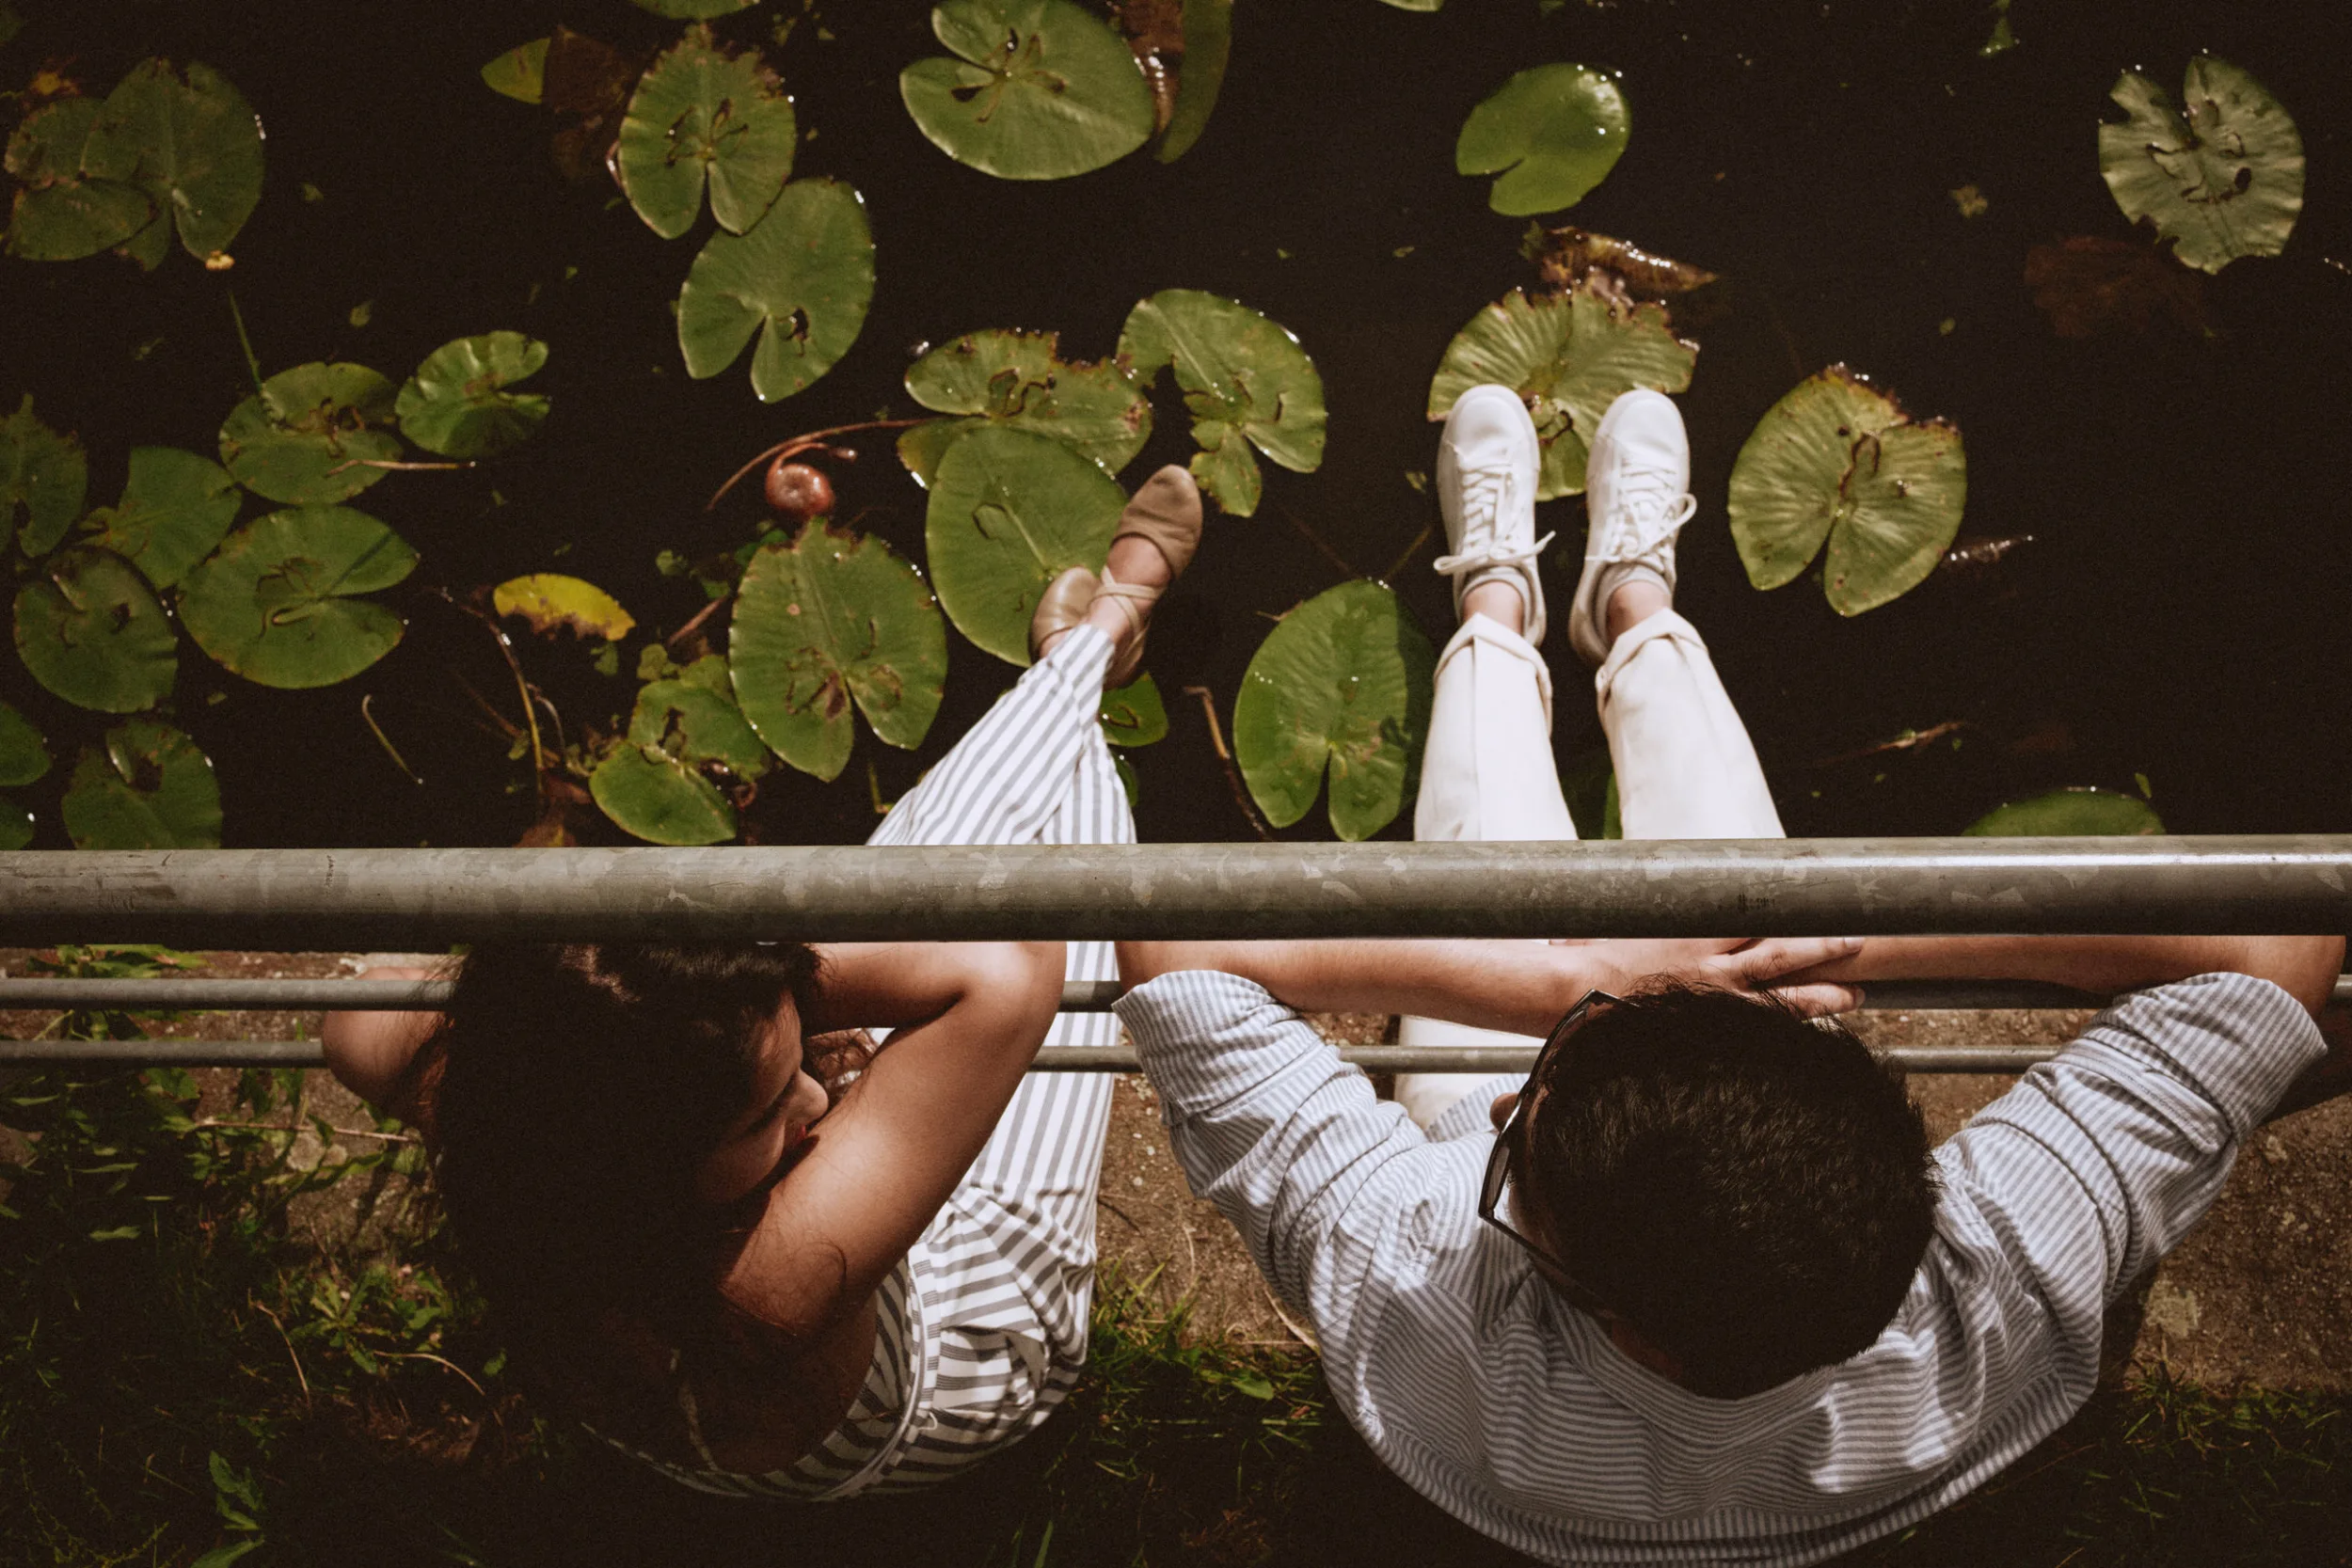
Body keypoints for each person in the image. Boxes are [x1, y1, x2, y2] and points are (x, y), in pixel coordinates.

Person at [1111, 386, 2345, 1564]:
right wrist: (1814, 936)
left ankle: (1494, 610)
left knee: (1488, 855)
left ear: (1593, 1296)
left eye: (1516, 1156)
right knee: (1740, 892)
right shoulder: (1990, 1280)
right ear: (1912, 1175)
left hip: (1539, 1127)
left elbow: (1170, 943)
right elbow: (2280, 940)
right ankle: (1635, 603)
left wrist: (1579, 979)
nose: (1507, 1106)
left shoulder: (1419, 1299)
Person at [323, 467, 1207, 1500]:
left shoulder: (526, 1140)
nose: (820, 1095)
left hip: (700, 1203)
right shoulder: (771, 1290)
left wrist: (697, 997)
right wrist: (769, 976)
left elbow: (365, 1012)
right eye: (766, 1107)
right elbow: (1010, 965)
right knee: (1061, 886)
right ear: (643, 1160)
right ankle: (1092, 646)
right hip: (972, 1329)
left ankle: (1084, 656)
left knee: (940, 877)